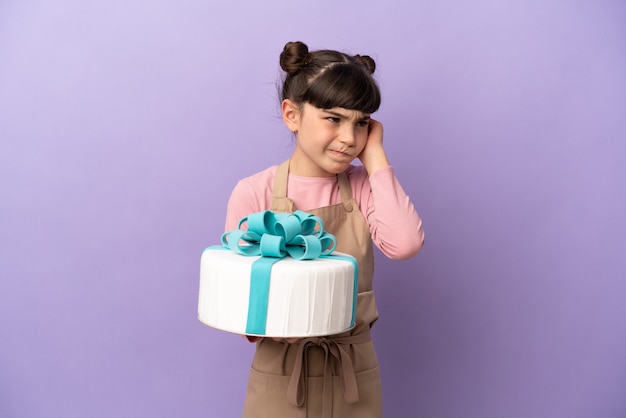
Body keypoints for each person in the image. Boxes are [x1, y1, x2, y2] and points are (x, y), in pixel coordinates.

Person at [224, 41, 425, 418]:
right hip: (283, 371)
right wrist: (295, 321)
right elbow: (243, 304)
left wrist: (376, 157)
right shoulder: (254, 192)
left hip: (353, 368)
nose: (350, 138)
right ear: (291, 115)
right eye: (334, 118)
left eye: (361, 122)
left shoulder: (366, 188)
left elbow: (406, 244)